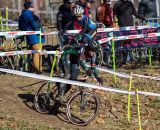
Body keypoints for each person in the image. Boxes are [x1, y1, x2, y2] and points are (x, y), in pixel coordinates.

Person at [57, 5, 102, 102]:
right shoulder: (84, 49)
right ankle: (59, 96)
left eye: (80, 16)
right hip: (68, 55)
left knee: (85, 38)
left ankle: (61, 96)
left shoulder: (86, 18)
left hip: (92, 30)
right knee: (68, 76)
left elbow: (93, 66)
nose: (78, 18)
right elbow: (81, 60)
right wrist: (63, 31)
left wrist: (98, 76)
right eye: (77, 16)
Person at [18, 1, 45, 73]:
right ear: (30, 7)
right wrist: (41, 33)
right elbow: (36, 26)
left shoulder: (21, 15)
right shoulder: (31, 15)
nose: (34, 8)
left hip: (29, 37)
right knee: (37, 54)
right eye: (33, 6)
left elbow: (20, 26)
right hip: (36, 37)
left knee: (33, 53)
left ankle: (33, 68)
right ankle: (39, 70)